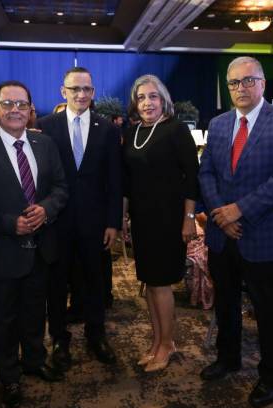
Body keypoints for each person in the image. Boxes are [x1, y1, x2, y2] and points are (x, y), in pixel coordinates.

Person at [198, 56, 273, 408]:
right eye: (233, 83)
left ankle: (270, 376)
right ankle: (228, 358)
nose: (240, 88)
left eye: (248, 81)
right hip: (221, 234)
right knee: (225, 302)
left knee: (268, 310)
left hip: (264, 234)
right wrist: (221, 215)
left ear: (262, 83)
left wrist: (239, 210)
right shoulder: (219, 123)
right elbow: (206, 173)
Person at [0, 81, 68, 408]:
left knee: (34, 312)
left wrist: (47, 209)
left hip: (40, 249)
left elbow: (60, 188)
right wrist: (9, 223)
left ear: (30, 110)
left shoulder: (45, 144)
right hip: (1, 251)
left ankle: (35, 361)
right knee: (2, 319)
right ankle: (9, 376)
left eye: (21, 104)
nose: (15, 110)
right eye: (8, 104)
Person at [36, 67, 122, 369]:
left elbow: (115, 180)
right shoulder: (45, 126)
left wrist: (113, 222)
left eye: (86, 89)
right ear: (64, 92)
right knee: (57, 283)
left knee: (96, 281)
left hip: (95, 223)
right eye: (75, 89)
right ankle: (60, 338)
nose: (81, 94)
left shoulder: (108, 129)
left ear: (93, 92)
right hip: (56, 222)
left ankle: (96, 334)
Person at [122, 74, 199, 372]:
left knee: (162, 284)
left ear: (163, 99)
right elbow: (127, 180)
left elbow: (192, 179)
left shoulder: (176, 129)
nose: (147, 103)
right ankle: (157, 342)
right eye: (141, 97)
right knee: (150, 283)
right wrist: (124, 216)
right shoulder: (132, 132)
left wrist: (189, 219)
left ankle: (167, 344)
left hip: (169, 219)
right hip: (142, 219)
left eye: (153, 96)